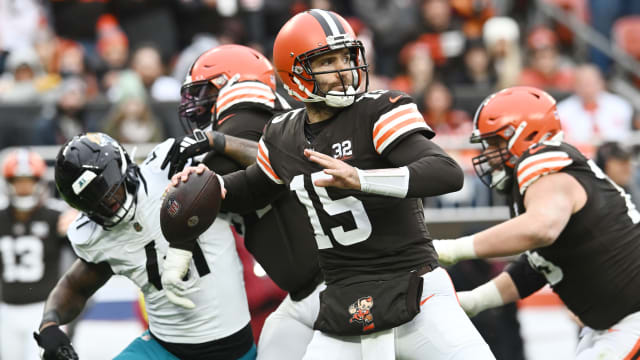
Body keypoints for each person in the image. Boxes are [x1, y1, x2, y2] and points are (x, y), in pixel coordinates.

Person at [166, 9, 495, 359]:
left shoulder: (378, 110)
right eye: (326, 62)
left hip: (415, 290)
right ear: (294, 74)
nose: (343, 72)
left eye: (347, 57)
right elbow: (251, 187)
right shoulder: (283, 135)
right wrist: (207, 188)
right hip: (343, 305)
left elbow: (445, 172)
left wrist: (363, 180)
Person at [432, 86, 640, 359]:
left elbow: (542, 228)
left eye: (495, 143)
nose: (489, 154)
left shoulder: (543, 160)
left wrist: (451, 249)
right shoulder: (539, 183)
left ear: (525, 135)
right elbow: (537, 266)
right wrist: (473, 301)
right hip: (613, 322)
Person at [161, 44, 325, 360]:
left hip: (336, 282)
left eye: (205, 90)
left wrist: (214, 143)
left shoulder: (252, 119)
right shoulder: (247, 133)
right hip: (304, 294)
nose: (198, 104)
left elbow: (280, 161)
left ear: (231, 83)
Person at [33, 132, 255, 360]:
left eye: (109, 192)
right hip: (163, 349)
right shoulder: (96, 235)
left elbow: (272, 162)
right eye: (94, 203)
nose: (109, 206)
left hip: (235, 350)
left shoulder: (172, 167)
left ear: (122, 167)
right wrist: (49, 324)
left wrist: (217, 140)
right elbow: (75, 285)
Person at [0, 149, 75, 360]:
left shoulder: (57, 215)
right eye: (17, 181)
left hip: (43, 310)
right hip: (6, 310)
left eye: (28, 181)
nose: (23, 187)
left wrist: (76, 230)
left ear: (39, 182)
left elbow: (85, 255)